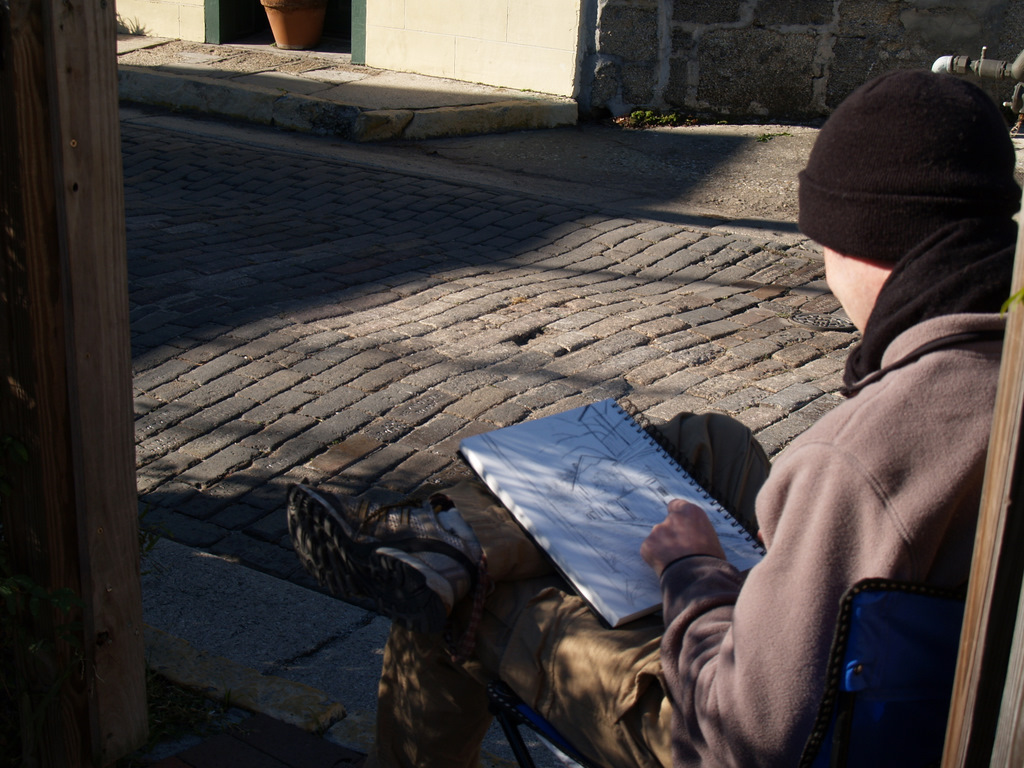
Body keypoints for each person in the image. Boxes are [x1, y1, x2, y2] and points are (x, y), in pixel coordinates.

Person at [286, 69, 1020, 768]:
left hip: (723, 720)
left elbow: (741, 743)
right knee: (712, 442)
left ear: (862, 237)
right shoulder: (999, 371)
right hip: (906, 669)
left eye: (821, 239)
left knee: (462, 606)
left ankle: (450, 568)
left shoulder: (854, 462)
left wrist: (692, 571)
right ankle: (449, 541)